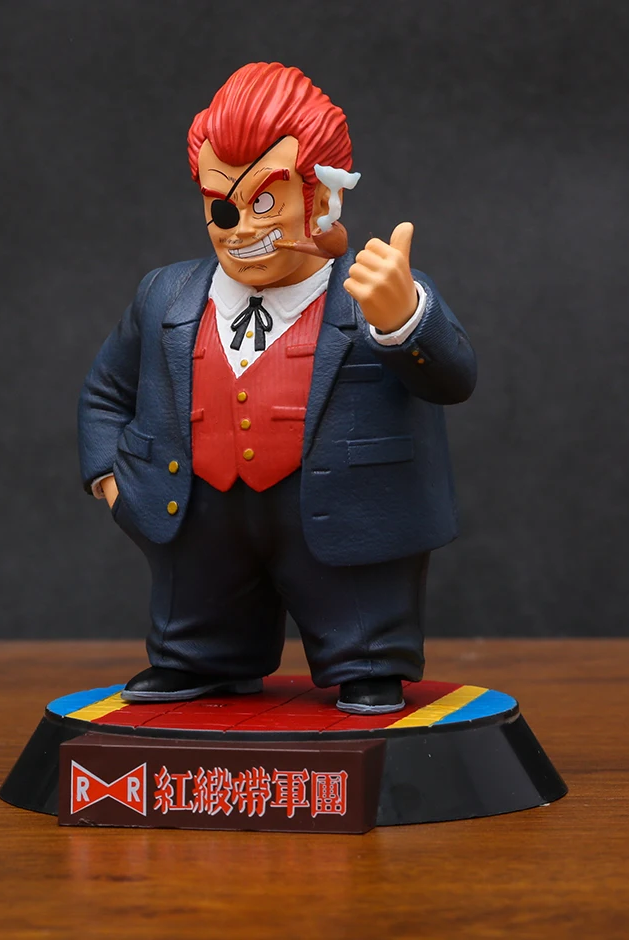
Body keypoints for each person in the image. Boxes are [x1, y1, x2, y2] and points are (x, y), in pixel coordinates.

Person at [78, 62, 476, 714]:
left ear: (324, 196)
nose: (240, 228)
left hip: (342, 508)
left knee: (360, 608)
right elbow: (105, 391)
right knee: (198, 608)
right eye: (222, 205)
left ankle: (367, 663)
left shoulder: (375, 293)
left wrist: (403, 318)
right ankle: (199, 659)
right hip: (195, 509)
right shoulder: (164, 295)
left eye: (264, 201)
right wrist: (112, 482)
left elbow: (454, 379)